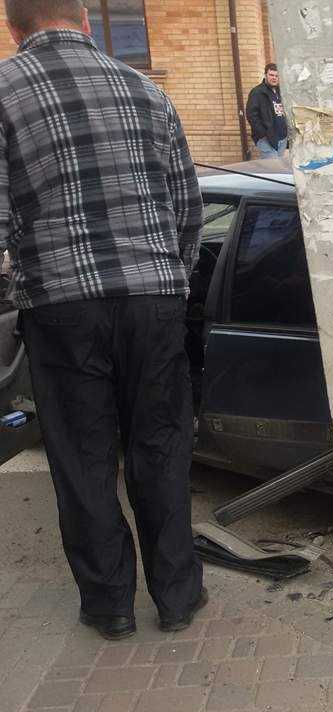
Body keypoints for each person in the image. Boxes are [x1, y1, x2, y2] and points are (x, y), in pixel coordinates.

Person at [0, 0, 205, 640]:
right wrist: (170, 281)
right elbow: (187, 204)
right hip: (154, 299)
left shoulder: (4, 91)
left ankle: (109, 606)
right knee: (162, 445)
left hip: (61, 307)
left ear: (13, 27)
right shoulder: (147, 91)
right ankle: (176, 597)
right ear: (86, 20)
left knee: (82, 457)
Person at [246, 63, 288, 159]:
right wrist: (263, 134)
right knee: (273, 167)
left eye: (277, 76)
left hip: (282, 138)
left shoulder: (280, 91)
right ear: (265, 75)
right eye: (271, 75)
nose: (274, 78)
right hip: (267, 139)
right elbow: (251, 115)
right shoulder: (257, 92)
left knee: (279, 166)